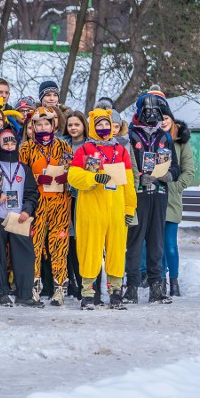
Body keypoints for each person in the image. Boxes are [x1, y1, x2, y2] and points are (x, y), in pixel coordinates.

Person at [68, 109, 137, 309]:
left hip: (116, 211)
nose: (104, 128)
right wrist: (92, 178)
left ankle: (116, 293)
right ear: (92, 127)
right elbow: (73, 176)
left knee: (116, 251)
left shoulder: (121, 150)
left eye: (107, 124)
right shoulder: (85, 150)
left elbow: (129, 183)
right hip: (91, 211)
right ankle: (88, 293)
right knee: (90, 251)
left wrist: (129, 208)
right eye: (99, 125)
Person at [123, 91, 180, 304]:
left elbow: (176, 166)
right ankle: (132, 287)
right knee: (135, 242)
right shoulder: (131, 135)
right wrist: (139, 177)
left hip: (160, 194)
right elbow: (125, 165)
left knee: (157, 243)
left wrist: (169, 175)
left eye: (157, 112)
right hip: (138, 196)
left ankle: (158, 287)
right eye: (148, 112)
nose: (153, 116)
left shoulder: (164, 137)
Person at [19, 107, 73, 306]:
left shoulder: (64, 146)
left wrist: (67, 176)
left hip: (60, 202)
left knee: (59, 245)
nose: (42, 127)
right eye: (39, 124)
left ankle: (59, 288)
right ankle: (33, 287)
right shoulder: (25, 149)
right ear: (33, 126)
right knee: (34, 245)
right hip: (37, 204)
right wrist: (35, 178)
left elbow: (72, 170)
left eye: (46, 124)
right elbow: (19, 175)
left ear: (53, 125)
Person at [0, 128, 41, 307]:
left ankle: (24, 294)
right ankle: (2, 292)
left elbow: (32, 193)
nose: (9, 146)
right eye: (5, 142)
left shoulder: (24, 168)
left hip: (19, 217)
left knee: (25, 254)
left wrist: (27, 209)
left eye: (12, 142)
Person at [159, 104, 194, 297]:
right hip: (153, 196)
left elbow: (189, 171)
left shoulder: (181, 142)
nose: (162, 122)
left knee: (170, 243)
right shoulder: (153, 139)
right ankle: (159, 281)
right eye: (159, 118)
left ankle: (174, 281)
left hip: (171, 199)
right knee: (157, 244)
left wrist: (175, 187)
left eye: (166, 118)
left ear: (172, 120)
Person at [62, 110, 88, 299]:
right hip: (65, 196)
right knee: (70, 240)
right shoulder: (64, 145)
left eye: (76, 125)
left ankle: (86, 283)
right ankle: (73, 282)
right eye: (70, 125)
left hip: (85, 197)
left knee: (84, 241)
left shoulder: (89, 146)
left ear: (83, 126)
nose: (73, 128)